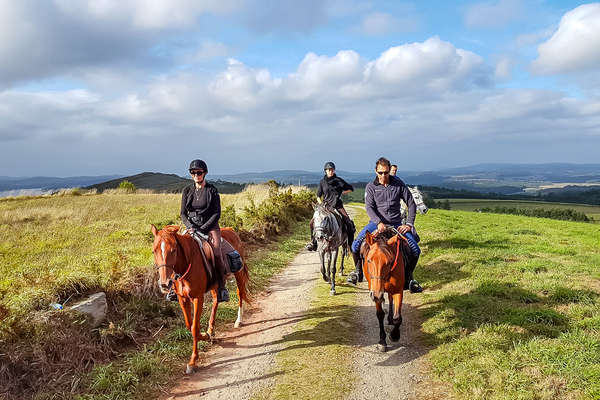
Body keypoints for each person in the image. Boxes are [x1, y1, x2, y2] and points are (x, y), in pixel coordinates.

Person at [348, 157, 423, 293]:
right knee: (355, 245)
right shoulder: (371, 187)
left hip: (396, 224)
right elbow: (369, 207)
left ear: (390, 171)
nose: (383, 175)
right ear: (376, 171)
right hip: (376, 224)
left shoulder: (399, 184)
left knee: (415, 249)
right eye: (380, 173)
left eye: (386, 172)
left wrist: (409, 224)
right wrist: (378, 223)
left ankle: (409, 279)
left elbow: (411, 203)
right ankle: (357, 272)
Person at [179, 159, 230, 302]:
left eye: (199, 172)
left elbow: (216, 213)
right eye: (193, 172)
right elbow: (183, 213)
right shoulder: (187, 191)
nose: (196, 175)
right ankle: (173, 288)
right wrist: (190, 227)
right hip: (192, 227)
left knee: (216, 251)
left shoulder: (212, 190)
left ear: (204, 173)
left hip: (210, 226)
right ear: (191, 174)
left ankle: (221, 288)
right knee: (177, 250)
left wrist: (203, 228)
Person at [306, 161, 355, 251]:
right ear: (325, 171)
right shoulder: (322, 182)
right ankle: (313, 243)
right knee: (312, 223)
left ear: (334, 170)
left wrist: (343, 192)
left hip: (337, 206)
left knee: (349, 222)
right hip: (326, 206)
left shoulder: (339, 181)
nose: (330, 171)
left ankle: (350, 244)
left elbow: (351, 188)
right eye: (328, 170)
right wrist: (321, 205)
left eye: (331, 170)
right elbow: (318, 196)